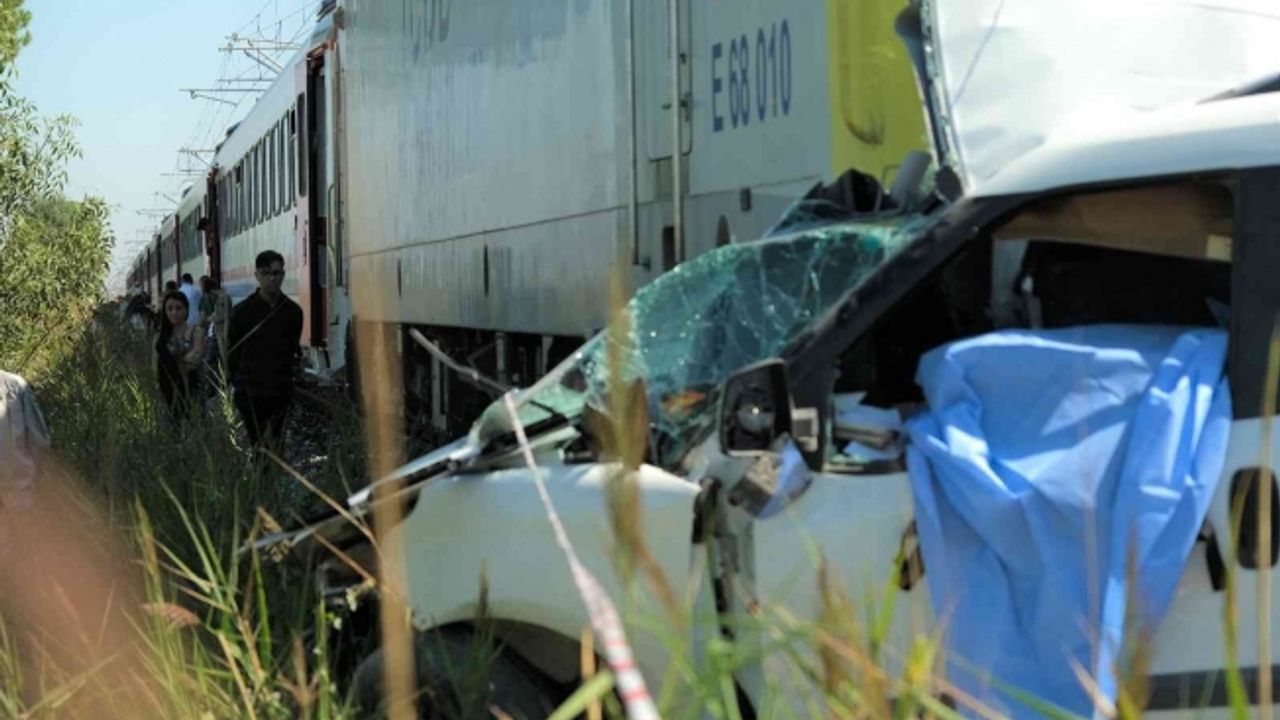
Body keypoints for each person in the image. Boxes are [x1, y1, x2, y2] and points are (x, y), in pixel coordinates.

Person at [228, 250, 303, 454]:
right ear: (257, 275)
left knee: (277, 443)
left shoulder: (293, 312)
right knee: (258, 445)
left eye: (276, 273)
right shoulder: (241, 312)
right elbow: (232, 352)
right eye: (266, 273)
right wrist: (237, 383)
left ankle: (271, 473)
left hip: (280, 389)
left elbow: (292, 348)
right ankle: (261, 472)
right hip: (250, 390)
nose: (272, 278)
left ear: (283, 274)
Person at [155, 290, 205, 423]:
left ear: (186, 309)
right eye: (170, 309)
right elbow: (154, 364)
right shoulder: (159, 336)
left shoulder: (196, 331)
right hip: (167, 390)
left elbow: (195, 358)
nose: (174, 313)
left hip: (191, 390)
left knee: (194, 426)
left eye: (178, 308)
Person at [199, 276, 232, 387]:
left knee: (211, 361)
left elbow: (219, 316)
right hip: (219, 335)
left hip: (221, 336)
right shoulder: (222, 297)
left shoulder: (222, 298)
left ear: (210, 291)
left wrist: (208, 319)